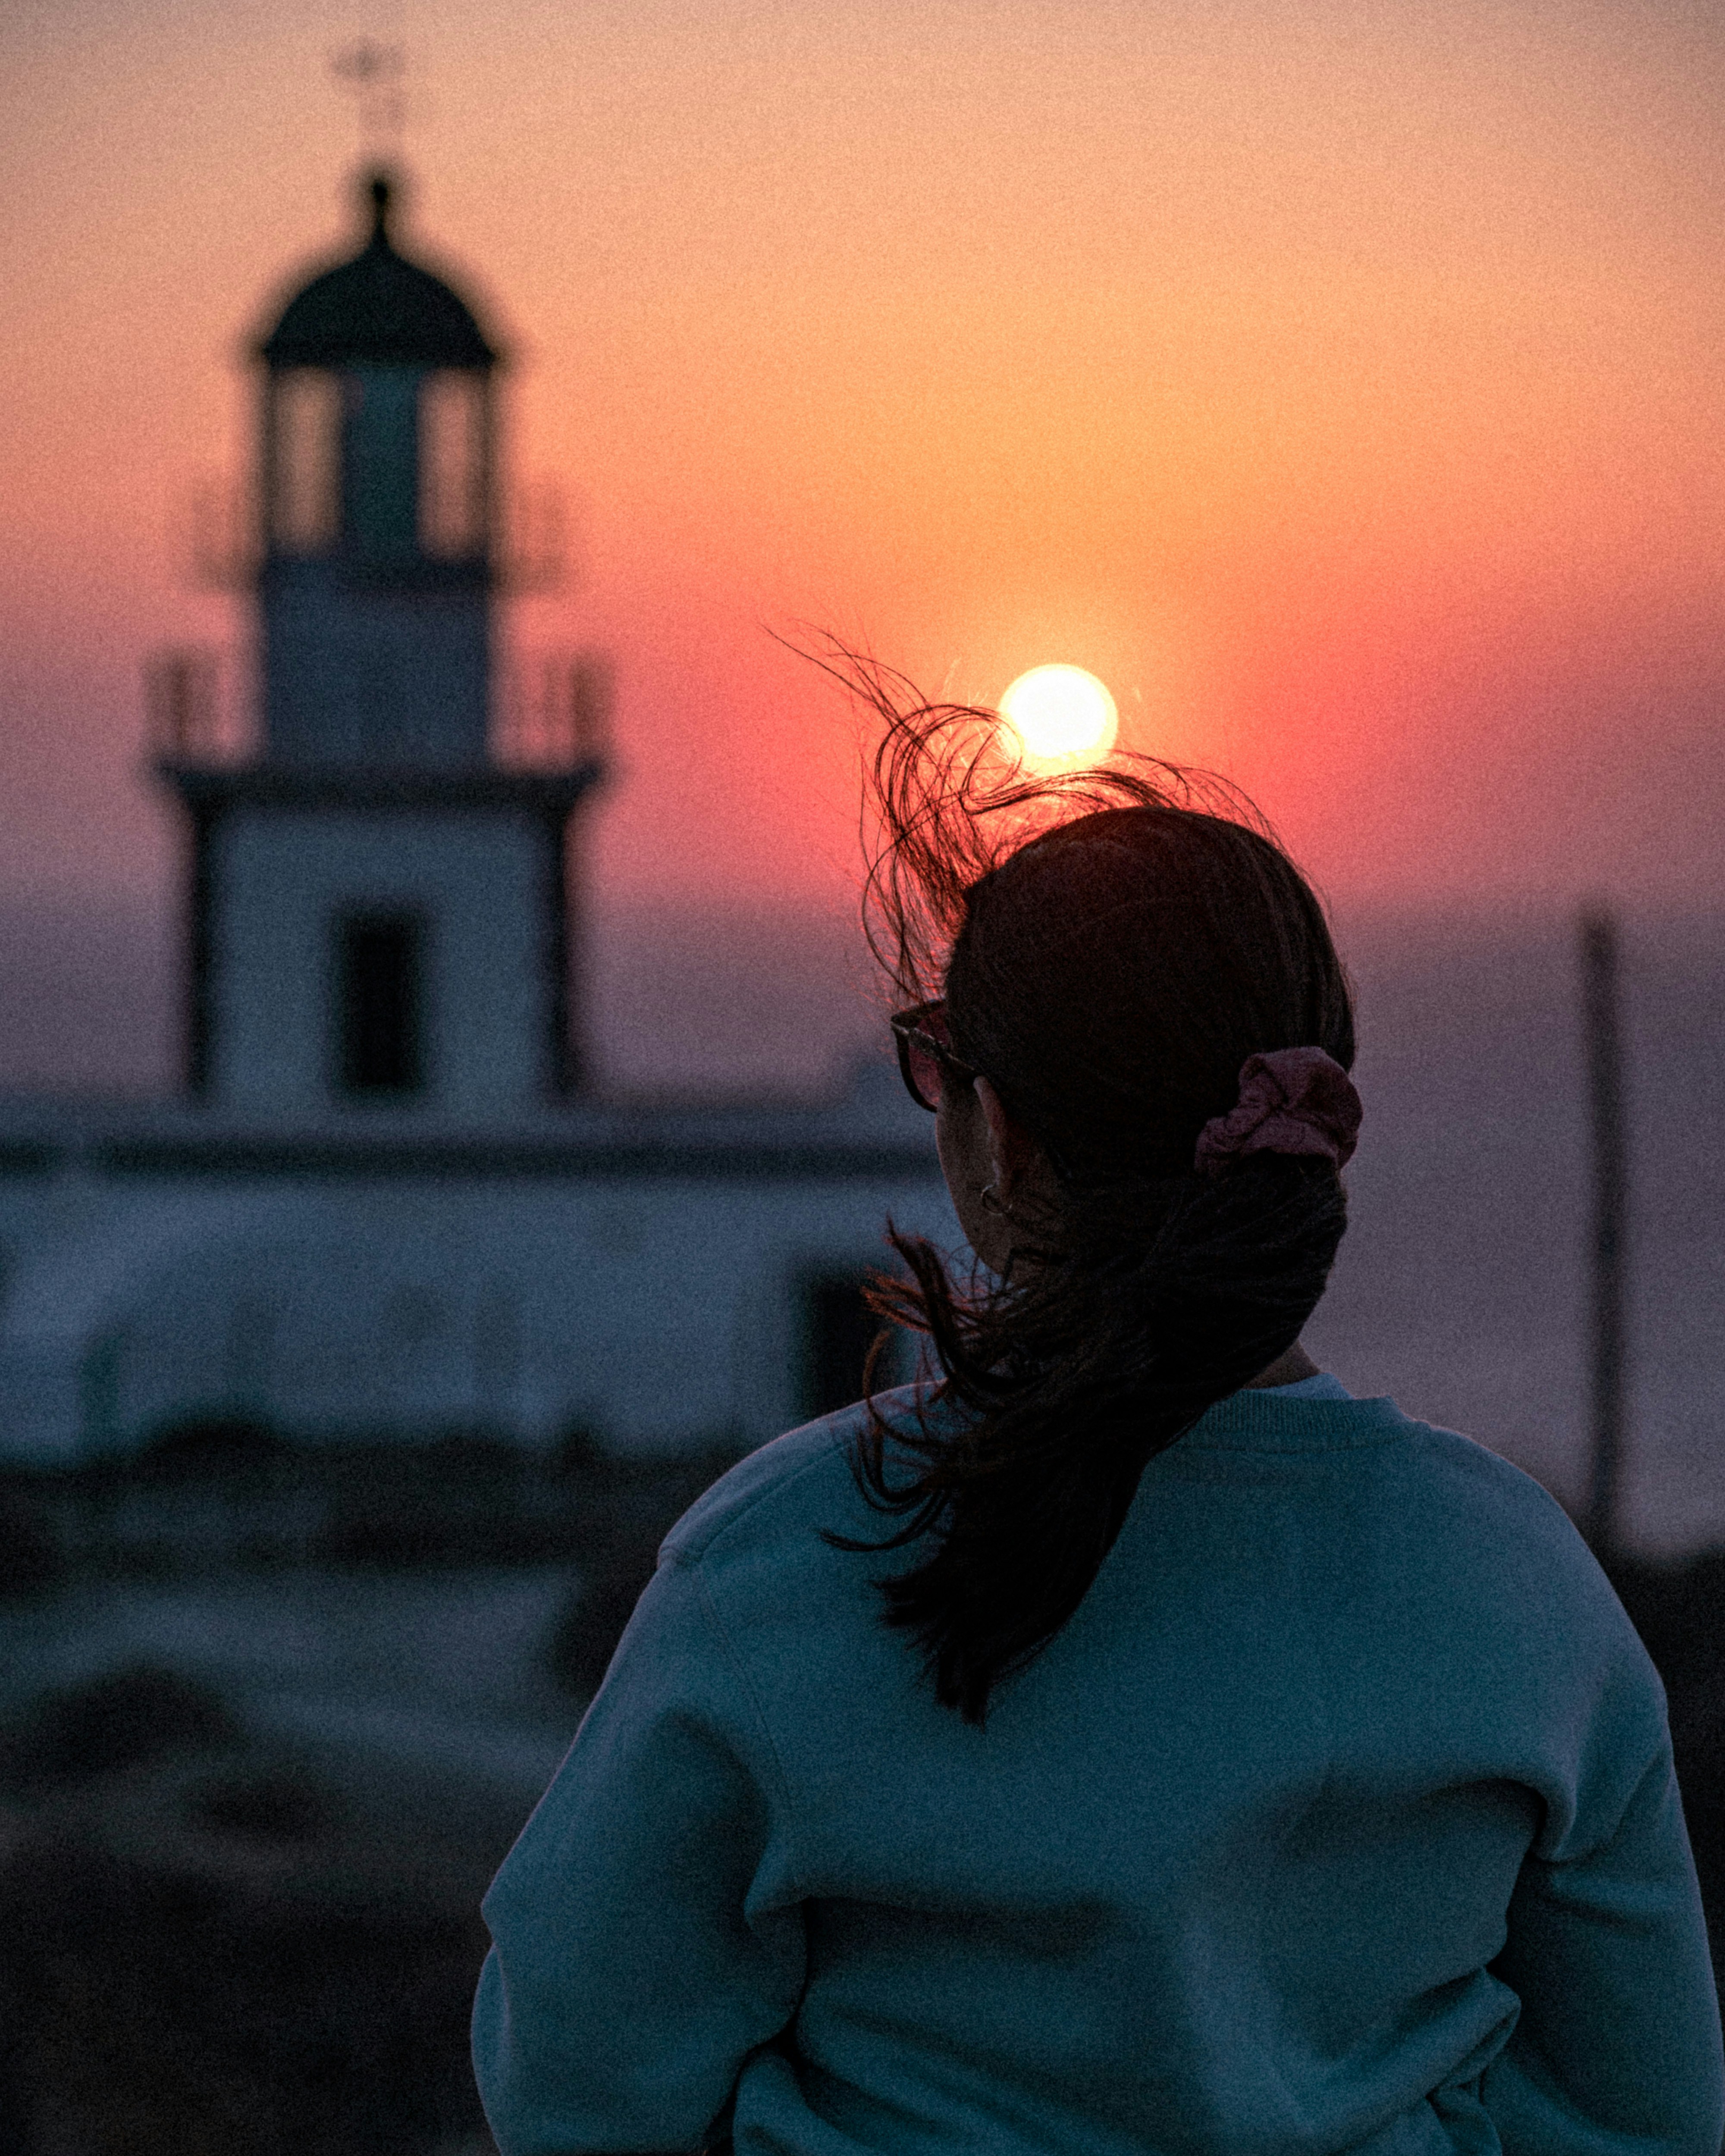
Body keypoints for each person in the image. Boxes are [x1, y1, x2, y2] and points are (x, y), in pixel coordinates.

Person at [472, 659, 1725, 2156]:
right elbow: (1641, 2109)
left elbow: (577, 2083)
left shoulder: (794, 1554)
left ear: (992, 1130)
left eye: (935, 1063)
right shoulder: (1518, 1581)